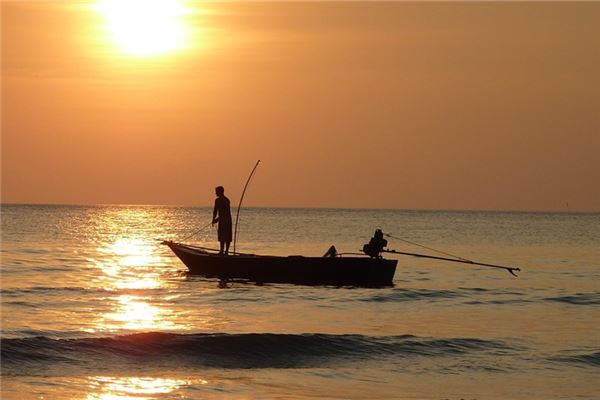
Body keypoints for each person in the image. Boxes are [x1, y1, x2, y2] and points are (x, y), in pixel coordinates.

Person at [212, 186, 232, 255]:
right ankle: (226, 251)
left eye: (216, 192)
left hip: (223, 220)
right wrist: (217, 219)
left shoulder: (218, 200)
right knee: (227, 236)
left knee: (222, 236)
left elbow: (215, 211)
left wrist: (214, 219)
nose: (215, 193)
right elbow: (226, 212)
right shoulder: (227, 200)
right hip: (228, 219)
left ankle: (222, 251)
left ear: (220, 192)